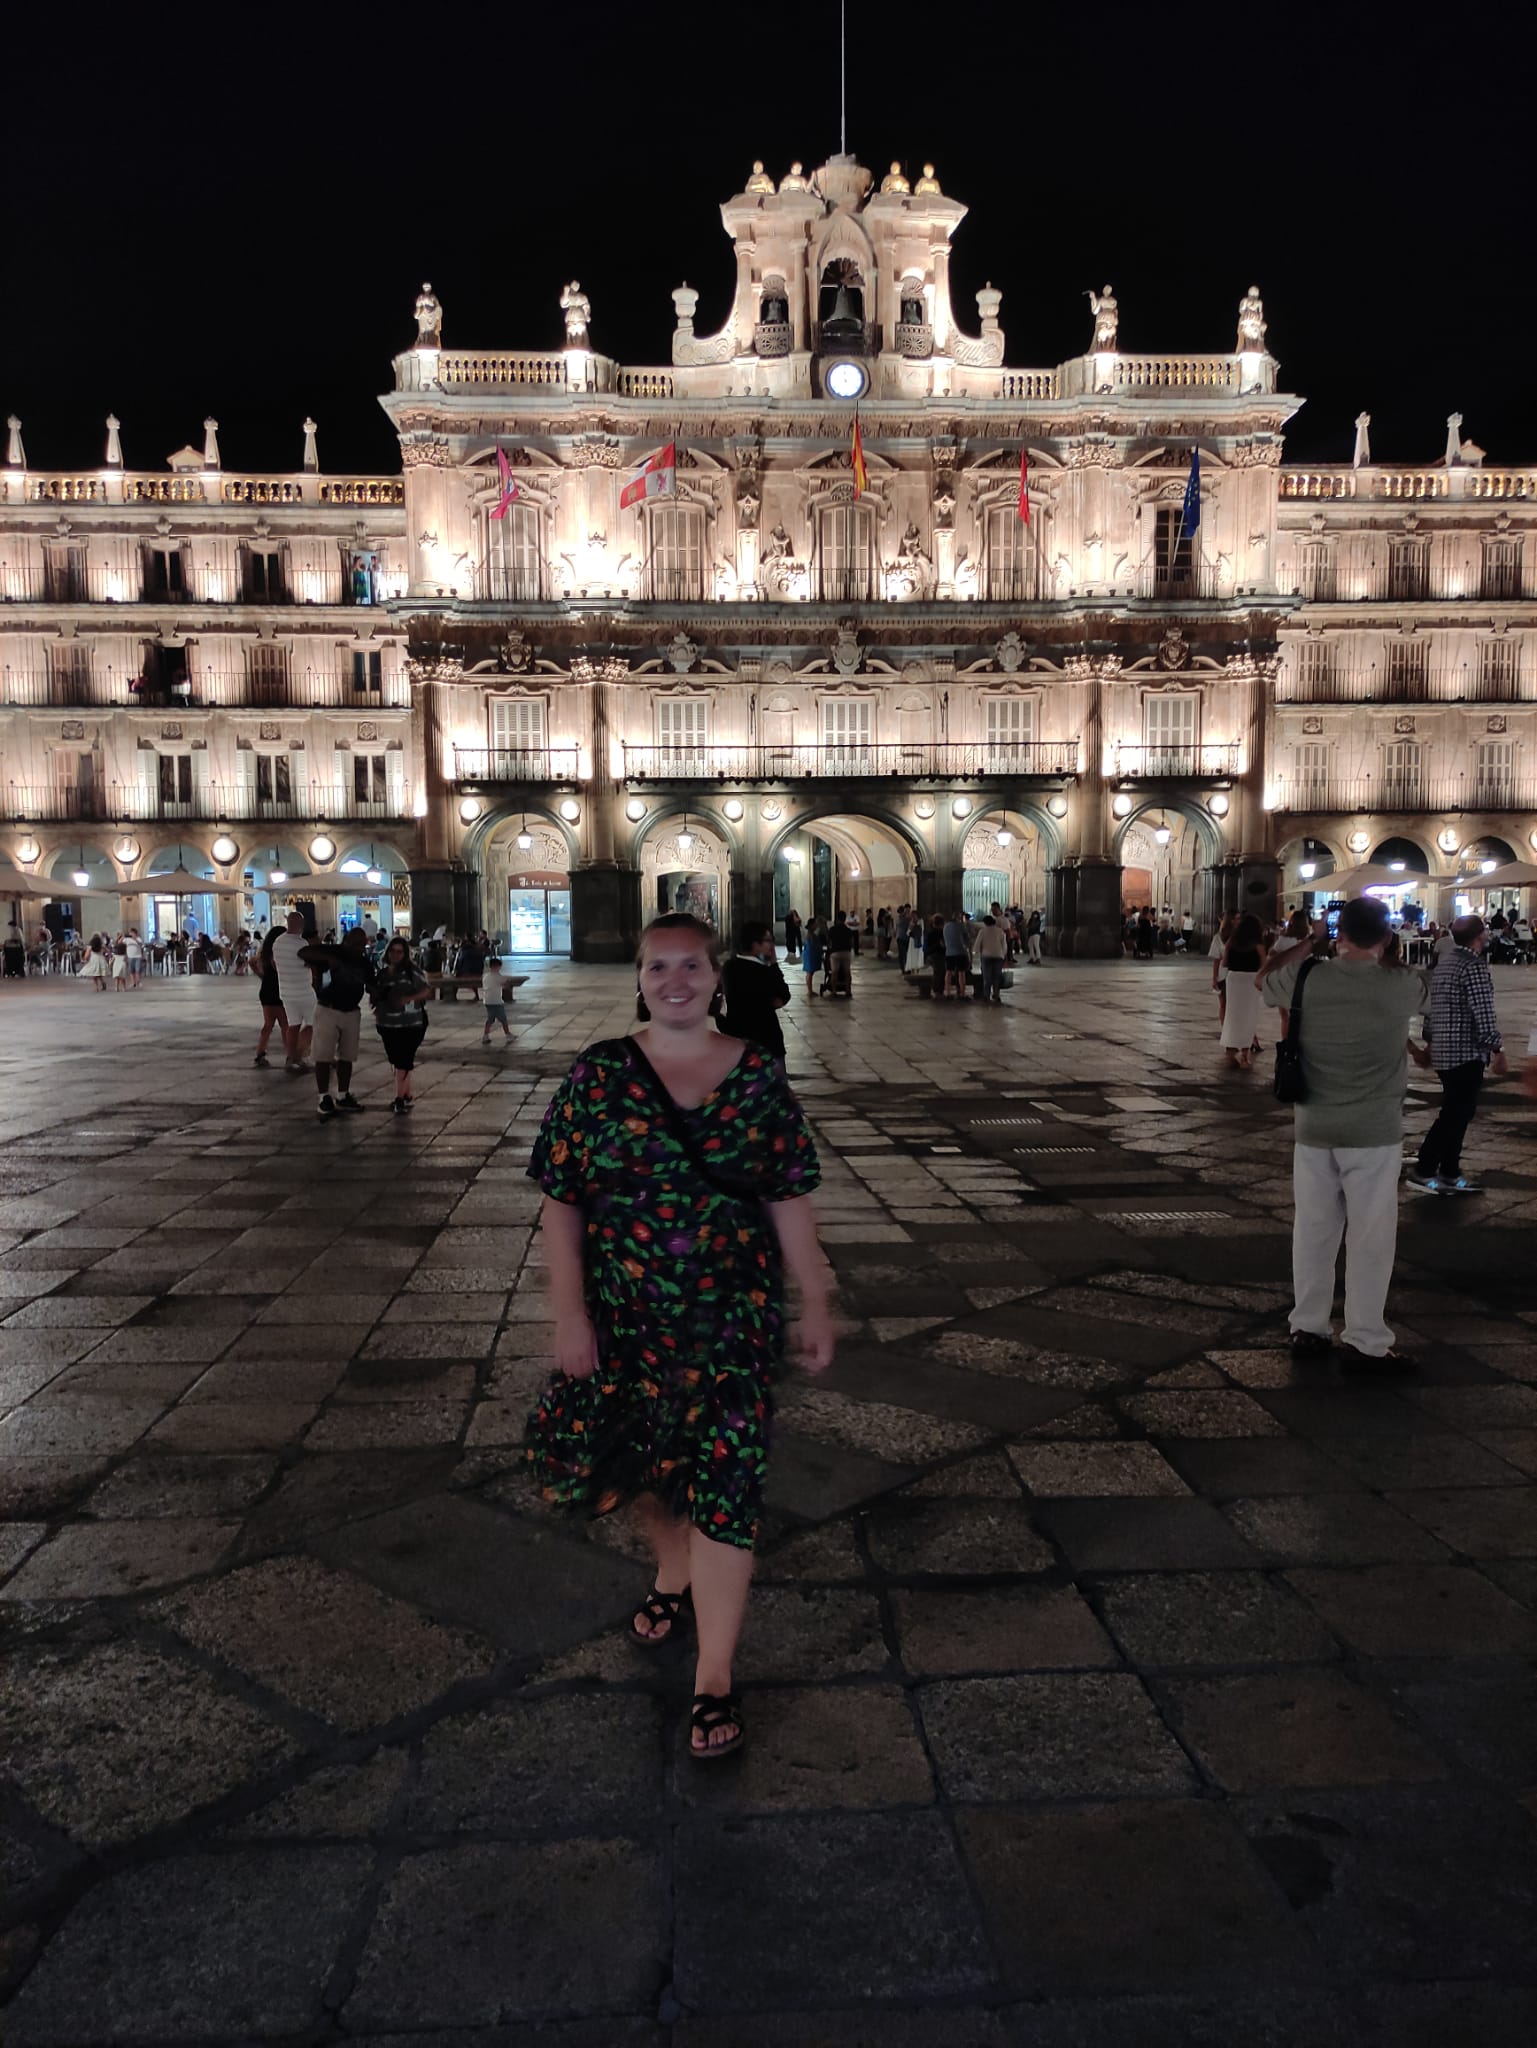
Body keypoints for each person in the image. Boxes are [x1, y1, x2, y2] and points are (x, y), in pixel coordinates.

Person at [524, 912, 834, 1761]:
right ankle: (672, 1571)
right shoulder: (598, 1075)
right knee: (651, 1474)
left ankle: (714, 1676)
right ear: (638, 978)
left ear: (715, 976)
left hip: (732, 1320)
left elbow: (787, 1193)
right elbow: (561, 1202)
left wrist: (813, 1297)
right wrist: (569, 1314)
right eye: (657, 966)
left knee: (728, 1484)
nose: (675, 980)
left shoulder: (757, 1074)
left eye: (690, 965)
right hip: (626, 1320)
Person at [1260, 898, 1432, 1370]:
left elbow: (1262, 978)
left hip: (1315, 1125)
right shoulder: (1401, 983)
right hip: (1374, 1130)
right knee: (1370, 1236)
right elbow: (1428, 991)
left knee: (1313, 1230)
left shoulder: (1308, 977)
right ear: (1386, 937)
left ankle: (1308, 1326)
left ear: (1340, 933)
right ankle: (1365, 1339)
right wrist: (1387, 953)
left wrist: (1311, 940)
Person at [1408, 913, 1507, 1194]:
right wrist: (1497, 1048)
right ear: (1480, 935)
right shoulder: (1473, 966)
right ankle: (1425, 1168)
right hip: (1465, 1051)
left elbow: (1431, 1008)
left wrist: (1430, 1042)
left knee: (1458, 1111)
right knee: (1455, 1114)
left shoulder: (1445, 963)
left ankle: (1450, 1171)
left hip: (1444, 1050)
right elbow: (1483, 1011)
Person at [298, 927, 374, 1118]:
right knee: (323, 1055)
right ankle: (323, 1096)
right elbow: (303, 952)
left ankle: (343, 1094)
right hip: (328, 1009)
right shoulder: (333, 951)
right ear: (346, 941)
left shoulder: (363, 962)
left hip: (351, 1011)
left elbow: (371, 984)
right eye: (356, 944)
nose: (359, 948)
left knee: (347, 1056)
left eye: (362, 945)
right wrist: (329, 959)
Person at [373, 935, 432, 1113]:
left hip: (410, 1024)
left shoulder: (412, 972)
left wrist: (408, 998)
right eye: (392, 951)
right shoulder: (382, 974)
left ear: (405, 954)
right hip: (387, 1023)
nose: (395, 955)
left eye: (399, 952)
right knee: (397, 1059)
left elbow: (426, 990)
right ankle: (406, 1093)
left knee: (403, 1059)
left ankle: (399, 1098)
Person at [721, 920, 791, 1059]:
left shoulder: (729, 966)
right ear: (755, 945)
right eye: (768, 941)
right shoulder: (763, 972)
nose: (772, 946)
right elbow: (783, 997)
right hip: (766, 1041)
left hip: (737, 1040)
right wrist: (774, 964)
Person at [1219, 914, 1278, 1070]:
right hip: (1250, 980)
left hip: (1233, 979)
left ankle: (1230, 1051)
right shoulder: (1258, 945)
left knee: (1232, 1015)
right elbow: (1263, 965)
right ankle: (1245, 1056)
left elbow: (1224, 962)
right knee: (1249, 1016)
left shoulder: (1232, 941)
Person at [269, 910, 315, 1073]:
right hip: (304, 991)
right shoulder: (301, 943)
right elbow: (309, 963)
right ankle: (298, 1055)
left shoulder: (277, 942)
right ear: (301, 925)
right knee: (314, 1023)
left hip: (286, 992)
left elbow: (275, 964)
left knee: (293, 1024)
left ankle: (290, 1057)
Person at [252, 927, 287, 1067]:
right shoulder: (278, 953)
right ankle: (291, 1053)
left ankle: (260, 1052)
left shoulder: (265, 953)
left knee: (268, 1024)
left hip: (266, 990)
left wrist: (262, 975)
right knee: (285, 1025)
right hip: (277, 991)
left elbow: (252, 961)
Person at [480, 952, 512, 1046]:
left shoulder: (485, 976)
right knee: (503, 1019)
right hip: (497, 1001)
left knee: (490, 1019)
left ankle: (485, 1035)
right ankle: (508, 1035)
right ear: (498, 966)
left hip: (487, 1001)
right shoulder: (499, 977)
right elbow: (506, 985)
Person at [974, 913, 1009, 1003]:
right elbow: (1004, 944)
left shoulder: (982, 931)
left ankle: (986, 995)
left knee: (987, 977)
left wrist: (976, 951)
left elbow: (977, 944)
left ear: (985, 923)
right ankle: (996, 995)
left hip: (986, 956)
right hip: (998, 956)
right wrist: (1003, 954)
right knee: (997, 976)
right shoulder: (1000, 931)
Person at [824, 910, 854, 998]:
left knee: (834, 972)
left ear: (837, 919)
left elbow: (829, 942)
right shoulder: (848, 930)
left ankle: (834, 991)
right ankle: (848, 990)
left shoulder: (832, 929)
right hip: (846, 952)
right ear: (844, 919)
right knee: (847, 972)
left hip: (835, 952)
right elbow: (851, 942)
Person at [941, 911, 970, 999]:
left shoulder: (946, 926)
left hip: (949, 952)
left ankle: (948, 992)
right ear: (959, 918)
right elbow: (966, 938)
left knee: (948, 972)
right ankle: (962, 993)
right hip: (961, 952)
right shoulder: (961, 926)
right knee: (961, 973)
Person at [801, 916, 825, 998]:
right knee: (809, 973)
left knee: (810, 973)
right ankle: (809, 990)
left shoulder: (812, 934)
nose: (816, 926)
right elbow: (813, 946)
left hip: (811, 955)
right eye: (815, 924)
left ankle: (810, 990)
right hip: (810, 955)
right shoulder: (810, 935)